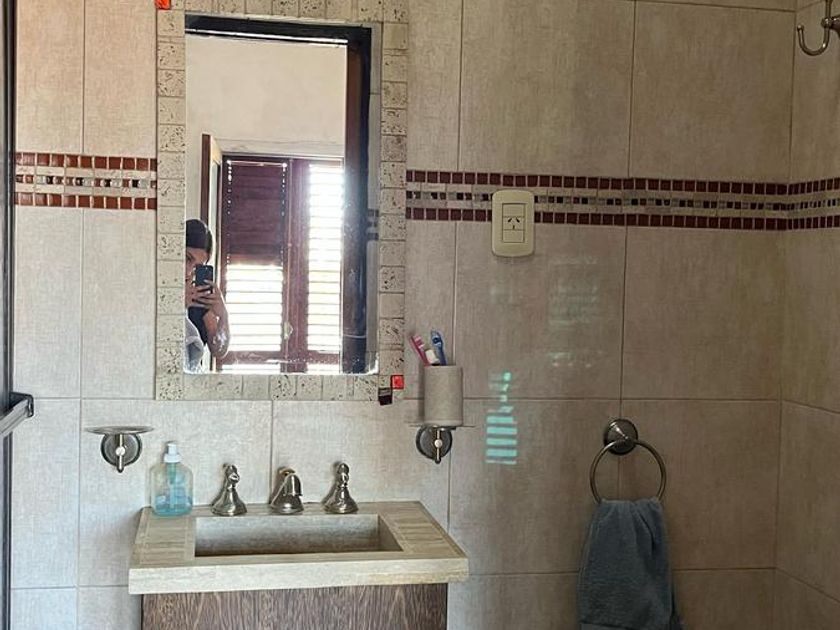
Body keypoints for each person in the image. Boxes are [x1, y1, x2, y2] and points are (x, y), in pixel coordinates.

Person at [184, 219, 230, 372]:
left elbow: (219, 350)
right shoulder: (155, 287)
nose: (189, 272)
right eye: (187, 258)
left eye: (197, 266)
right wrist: (179, 305)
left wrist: (223, 316)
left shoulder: (199, 298)